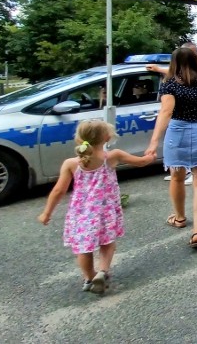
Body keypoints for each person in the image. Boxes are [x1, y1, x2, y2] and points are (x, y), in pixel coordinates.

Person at [38, 119, 155, 293]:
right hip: (106, 210)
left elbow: (58, 191)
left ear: (79, 139)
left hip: (81, 213)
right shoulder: (112, 156)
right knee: (108, 242)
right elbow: (141, 162)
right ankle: (102, 271)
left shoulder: (71, 164)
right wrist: (151, 155)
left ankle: (88, 278)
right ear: (107, 137)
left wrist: (46, 213)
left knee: (83, 248)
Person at [145, 47, 197, 249]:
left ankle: (179, 218)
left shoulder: (170, 84)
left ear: (174, 62)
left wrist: (153, 143)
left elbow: (166, 112)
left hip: (178, 132)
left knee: (177, 176)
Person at [147, 43, 197, 185]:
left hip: (184, 126)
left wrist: (154, 142)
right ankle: (185, 173)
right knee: (196, 180)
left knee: (193, 178)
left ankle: (187, 174)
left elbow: (166, 110)